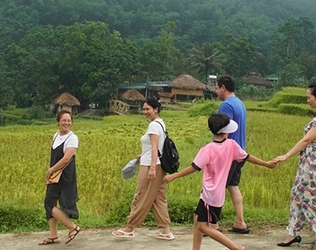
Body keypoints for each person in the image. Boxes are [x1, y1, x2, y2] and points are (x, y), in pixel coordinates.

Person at [163, 113, 275, 250]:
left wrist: (173, 176)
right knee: (197, 218)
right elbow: (248, 157)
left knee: (203, 226)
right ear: (225, 131)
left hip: (210, 195)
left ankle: (234, 247)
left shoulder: (208, 149)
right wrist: (266, 164)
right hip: (215, 194)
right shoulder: (232, 145)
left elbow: (194, 167)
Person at [273, 81, 316, 247]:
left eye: (309, 97)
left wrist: (286, 156)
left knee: (309, 198)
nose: (307, 100)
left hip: (310, 163)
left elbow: (307, 139)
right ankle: (292, 233)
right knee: (297, 194)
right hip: (309, 161)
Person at [112, 97, 174, 240]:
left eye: (148, 109)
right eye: (144, 109)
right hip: (158, 165)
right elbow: (157, 147)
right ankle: (166, 230)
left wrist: (152, 168)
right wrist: (143, 155)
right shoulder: (161, 124)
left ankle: (130, 227)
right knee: (158, 198)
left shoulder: (153, 125)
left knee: (141, 195)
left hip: (151, 166)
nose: (144, 112)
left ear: (155, 109)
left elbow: (154, 146)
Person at [39, 110, 81, 245]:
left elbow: (66, 158)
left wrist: (50, 170)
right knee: (50, 201)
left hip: (64, 176)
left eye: (69, 121)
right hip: (55, 174)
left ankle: (73, 228)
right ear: (58, 122)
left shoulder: (72, 138)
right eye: (64, 120)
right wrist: (51, 172)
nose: (67, 123)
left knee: (49, 203)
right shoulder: (56, 135)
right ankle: (53, 236)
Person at [215, 75, 250, 234]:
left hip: (228, 153)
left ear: (223, 87)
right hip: (240, 151)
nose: (216, 91)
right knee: (232, 185)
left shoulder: (226, 105)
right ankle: (240, 222)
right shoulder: (240, 103)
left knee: (217, 187)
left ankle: (213, 224)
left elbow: (223, 131)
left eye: (216, 88)